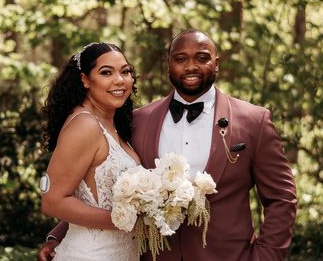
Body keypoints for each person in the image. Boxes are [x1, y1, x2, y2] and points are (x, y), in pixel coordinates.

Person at [39, 30, 297, 260]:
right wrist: (59, 236)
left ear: (217, 63)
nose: (191, 66)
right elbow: (99, 185)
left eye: (202, 57)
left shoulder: (254, 121)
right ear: (169, 64)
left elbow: (281, 198)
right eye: (181, 58)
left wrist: (266, 256)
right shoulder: (138, 120)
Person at [39, 42, 142, 260]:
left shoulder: (113, 126)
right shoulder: (85, 125)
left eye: (125, 72)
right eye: (106, 72)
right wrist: (125, 220)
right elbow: (52, 201)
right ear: (85, 80)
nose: (120, 80)